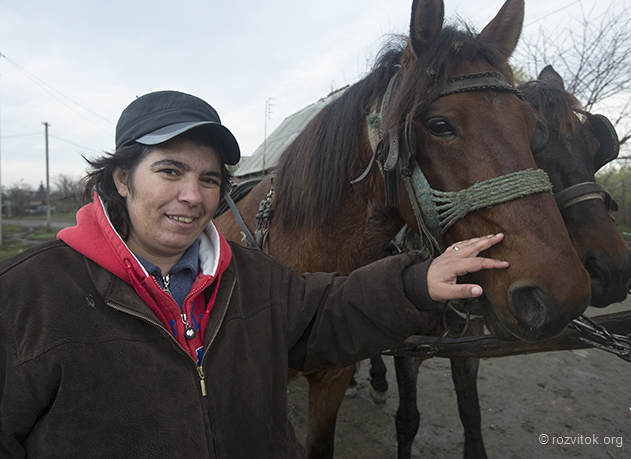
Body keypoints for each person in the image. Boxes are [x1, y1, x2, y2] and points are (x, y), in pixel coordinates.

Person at [0, 90, 508, 458]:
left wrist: (417, 281)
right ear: (121, 178)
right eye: (170, 171)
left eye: (209, 179)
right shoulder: (27, 294)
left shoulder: (252, 277)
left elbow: (327, 314)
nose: (192, 196)